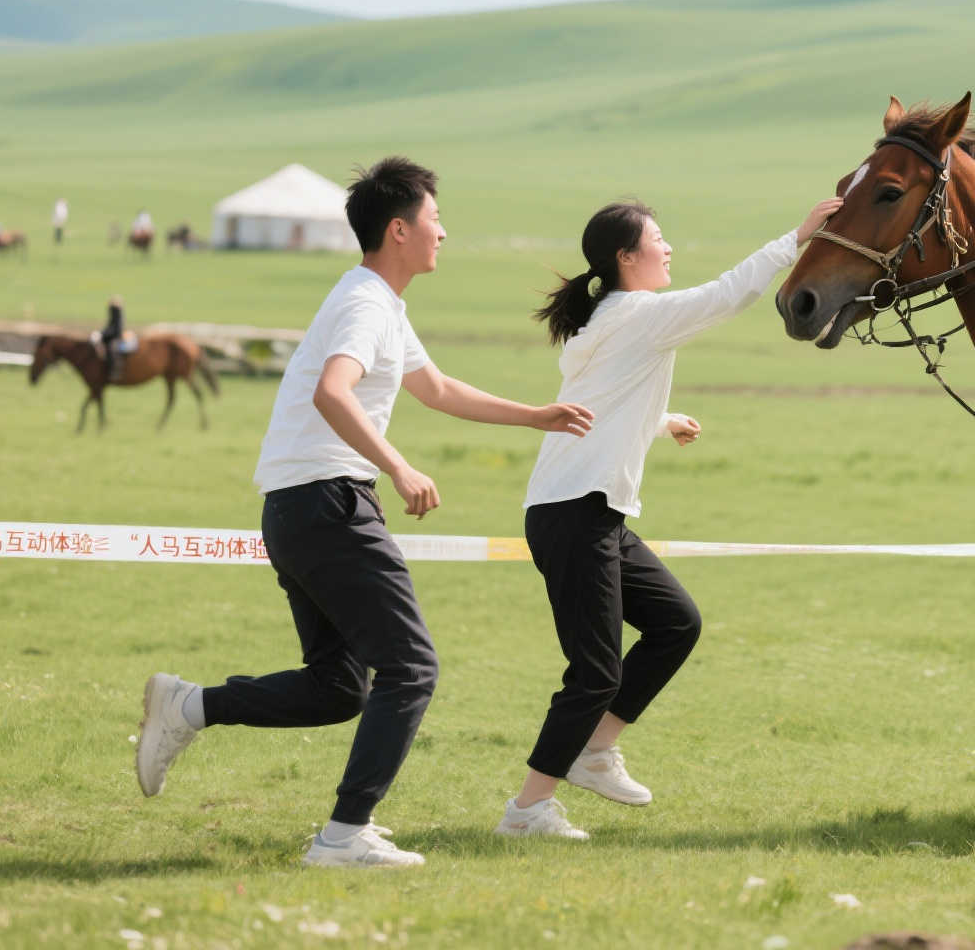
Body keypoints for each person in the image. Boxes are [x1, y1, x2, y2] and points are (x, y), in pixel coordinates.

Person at [132, 156, 594, 868]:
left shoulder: (381, 302)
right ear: (400, 229)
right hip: (328, 501)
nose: (445, 232)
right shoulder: (364, 304)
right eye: (436, 220)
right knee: (410, 667)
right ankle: (343, 836)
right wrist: (399, 465)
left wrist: (534, 416)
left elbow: (435, 388)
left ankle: (187, 706)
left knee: (337, 687)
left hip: (302, 507)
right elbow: (333, 391)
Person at [493, 193, 841, 840]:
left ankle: (596, 753)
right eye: (658, 239)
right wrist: (797, 238)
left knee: (675, 623)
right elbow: (728, 295)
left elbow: (600, 404)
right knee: (595, 671)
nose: (669, 247)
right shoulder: (640, 314)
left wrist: (659, 421)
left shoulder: (612, 318)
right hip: (575, 513)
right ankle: (527, 810)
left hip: (590, 512)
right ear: (627, 258)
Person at [99, 296, 126, 383]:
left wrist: (103, 334)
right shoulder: (114, 312)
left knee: (112, 348)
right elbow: (110, 325)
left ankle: (114, 371)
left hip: (116, 336)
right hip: (112, 334)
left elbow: (116, 328)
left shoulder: (116, 312)